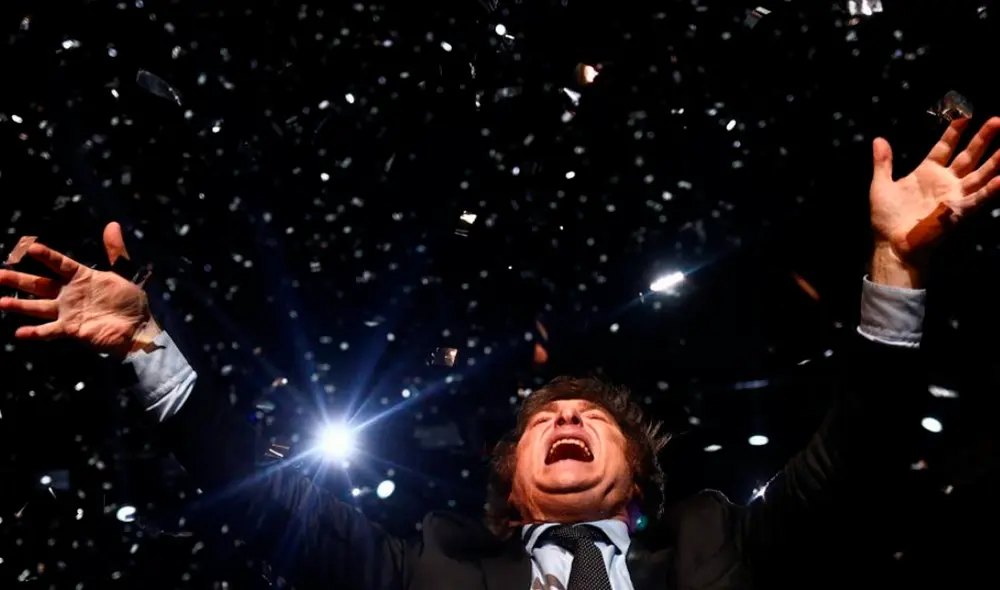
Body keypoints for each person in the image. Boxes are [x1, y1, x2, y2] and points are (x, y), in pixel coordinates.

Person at [2, 116, 999, 590]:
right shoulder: (424, 562)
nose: (563, 418)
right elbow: (261, 502)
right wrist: (147, 344)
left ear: (638, 480)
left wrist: (889, 265)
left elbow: (862, 442)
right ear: (511, 491)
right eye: (541, 422)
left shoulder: (716, 540)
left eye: (588, 416)